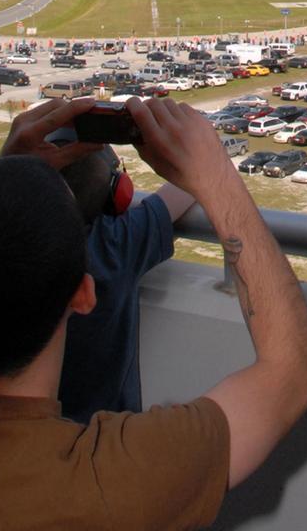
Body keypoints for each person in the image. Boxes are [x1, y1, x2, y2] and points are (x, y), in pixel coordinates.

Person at [0, 93, 307, 531]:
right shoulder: (113, 479)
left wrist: (6, 179)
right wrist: (217, 174)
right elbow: (296, 369)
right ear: (83, 295)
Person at [57, 143, 196, 423]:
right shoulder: (115, 243)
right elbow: (190, 180)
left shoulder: (12, 242)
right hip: (109, 430)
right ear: (118, 194)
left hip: (38, 427)